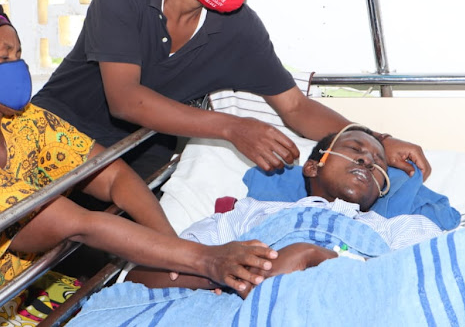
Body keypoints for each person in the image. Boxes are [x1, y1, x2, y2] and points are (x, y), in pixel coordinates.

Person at [0, 0, 277, 326]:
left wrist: (175, 255)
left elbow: (113, 176)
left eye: (18, 54)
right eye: (3, 58)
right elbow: (83, 224)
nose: (18, 67)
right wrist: (205, 259)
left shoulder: (23, 122)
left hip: (5, 291)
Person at [31, 0, 432, 180]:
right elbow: (125, 98)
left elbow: (295, 107)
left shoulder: (238, 28)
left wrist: (378, 141)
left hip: (135, 161)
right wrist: (232, 127)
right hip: (48, 137)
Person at [124, 124, 443, 297]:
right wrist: (226, 277)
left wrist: (312, 256)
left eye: (378, 164)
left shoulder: (401, 229)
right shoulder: (247, 214)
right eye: (354, 151)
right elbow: (144, 277)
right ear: (312, 167)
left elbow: (421, 289)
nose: (367, 161)